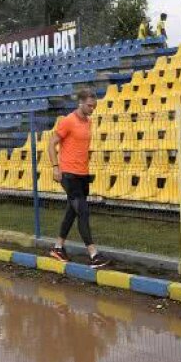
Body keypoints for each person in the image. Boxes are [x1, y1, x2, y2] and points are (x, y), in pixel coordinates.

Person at [48, 88, 108, 267]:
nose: (92, 109)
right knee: (82, 210)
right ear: (80, 103)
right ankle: (93, 254)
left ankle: (58, 247)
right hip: (68, 174)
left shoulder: (89, 122)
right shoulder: (68, 121)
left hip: (83, 174)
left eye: (94, 106)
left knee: (72, 211)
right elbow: (51, 144)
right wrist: (55, 168)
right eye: (90, 106)